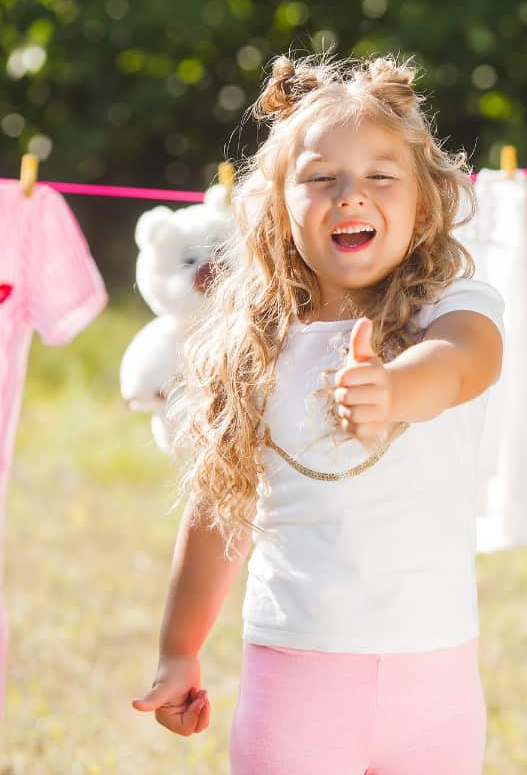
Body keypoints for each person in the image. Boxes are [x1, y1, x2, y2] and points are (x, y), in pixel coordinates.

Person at [132, 54, 503, 775]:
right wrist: (178, 650)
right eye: (321, 178)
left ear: (423, 203)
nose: (350, 195)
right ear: (277, 206)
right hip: (295, 673)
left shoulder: (448, 309)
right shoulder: (253, 349)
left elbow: (469, 361)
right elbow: (220, 510)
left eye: (379, 177)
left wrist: (394, 389)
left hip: (437, 677)